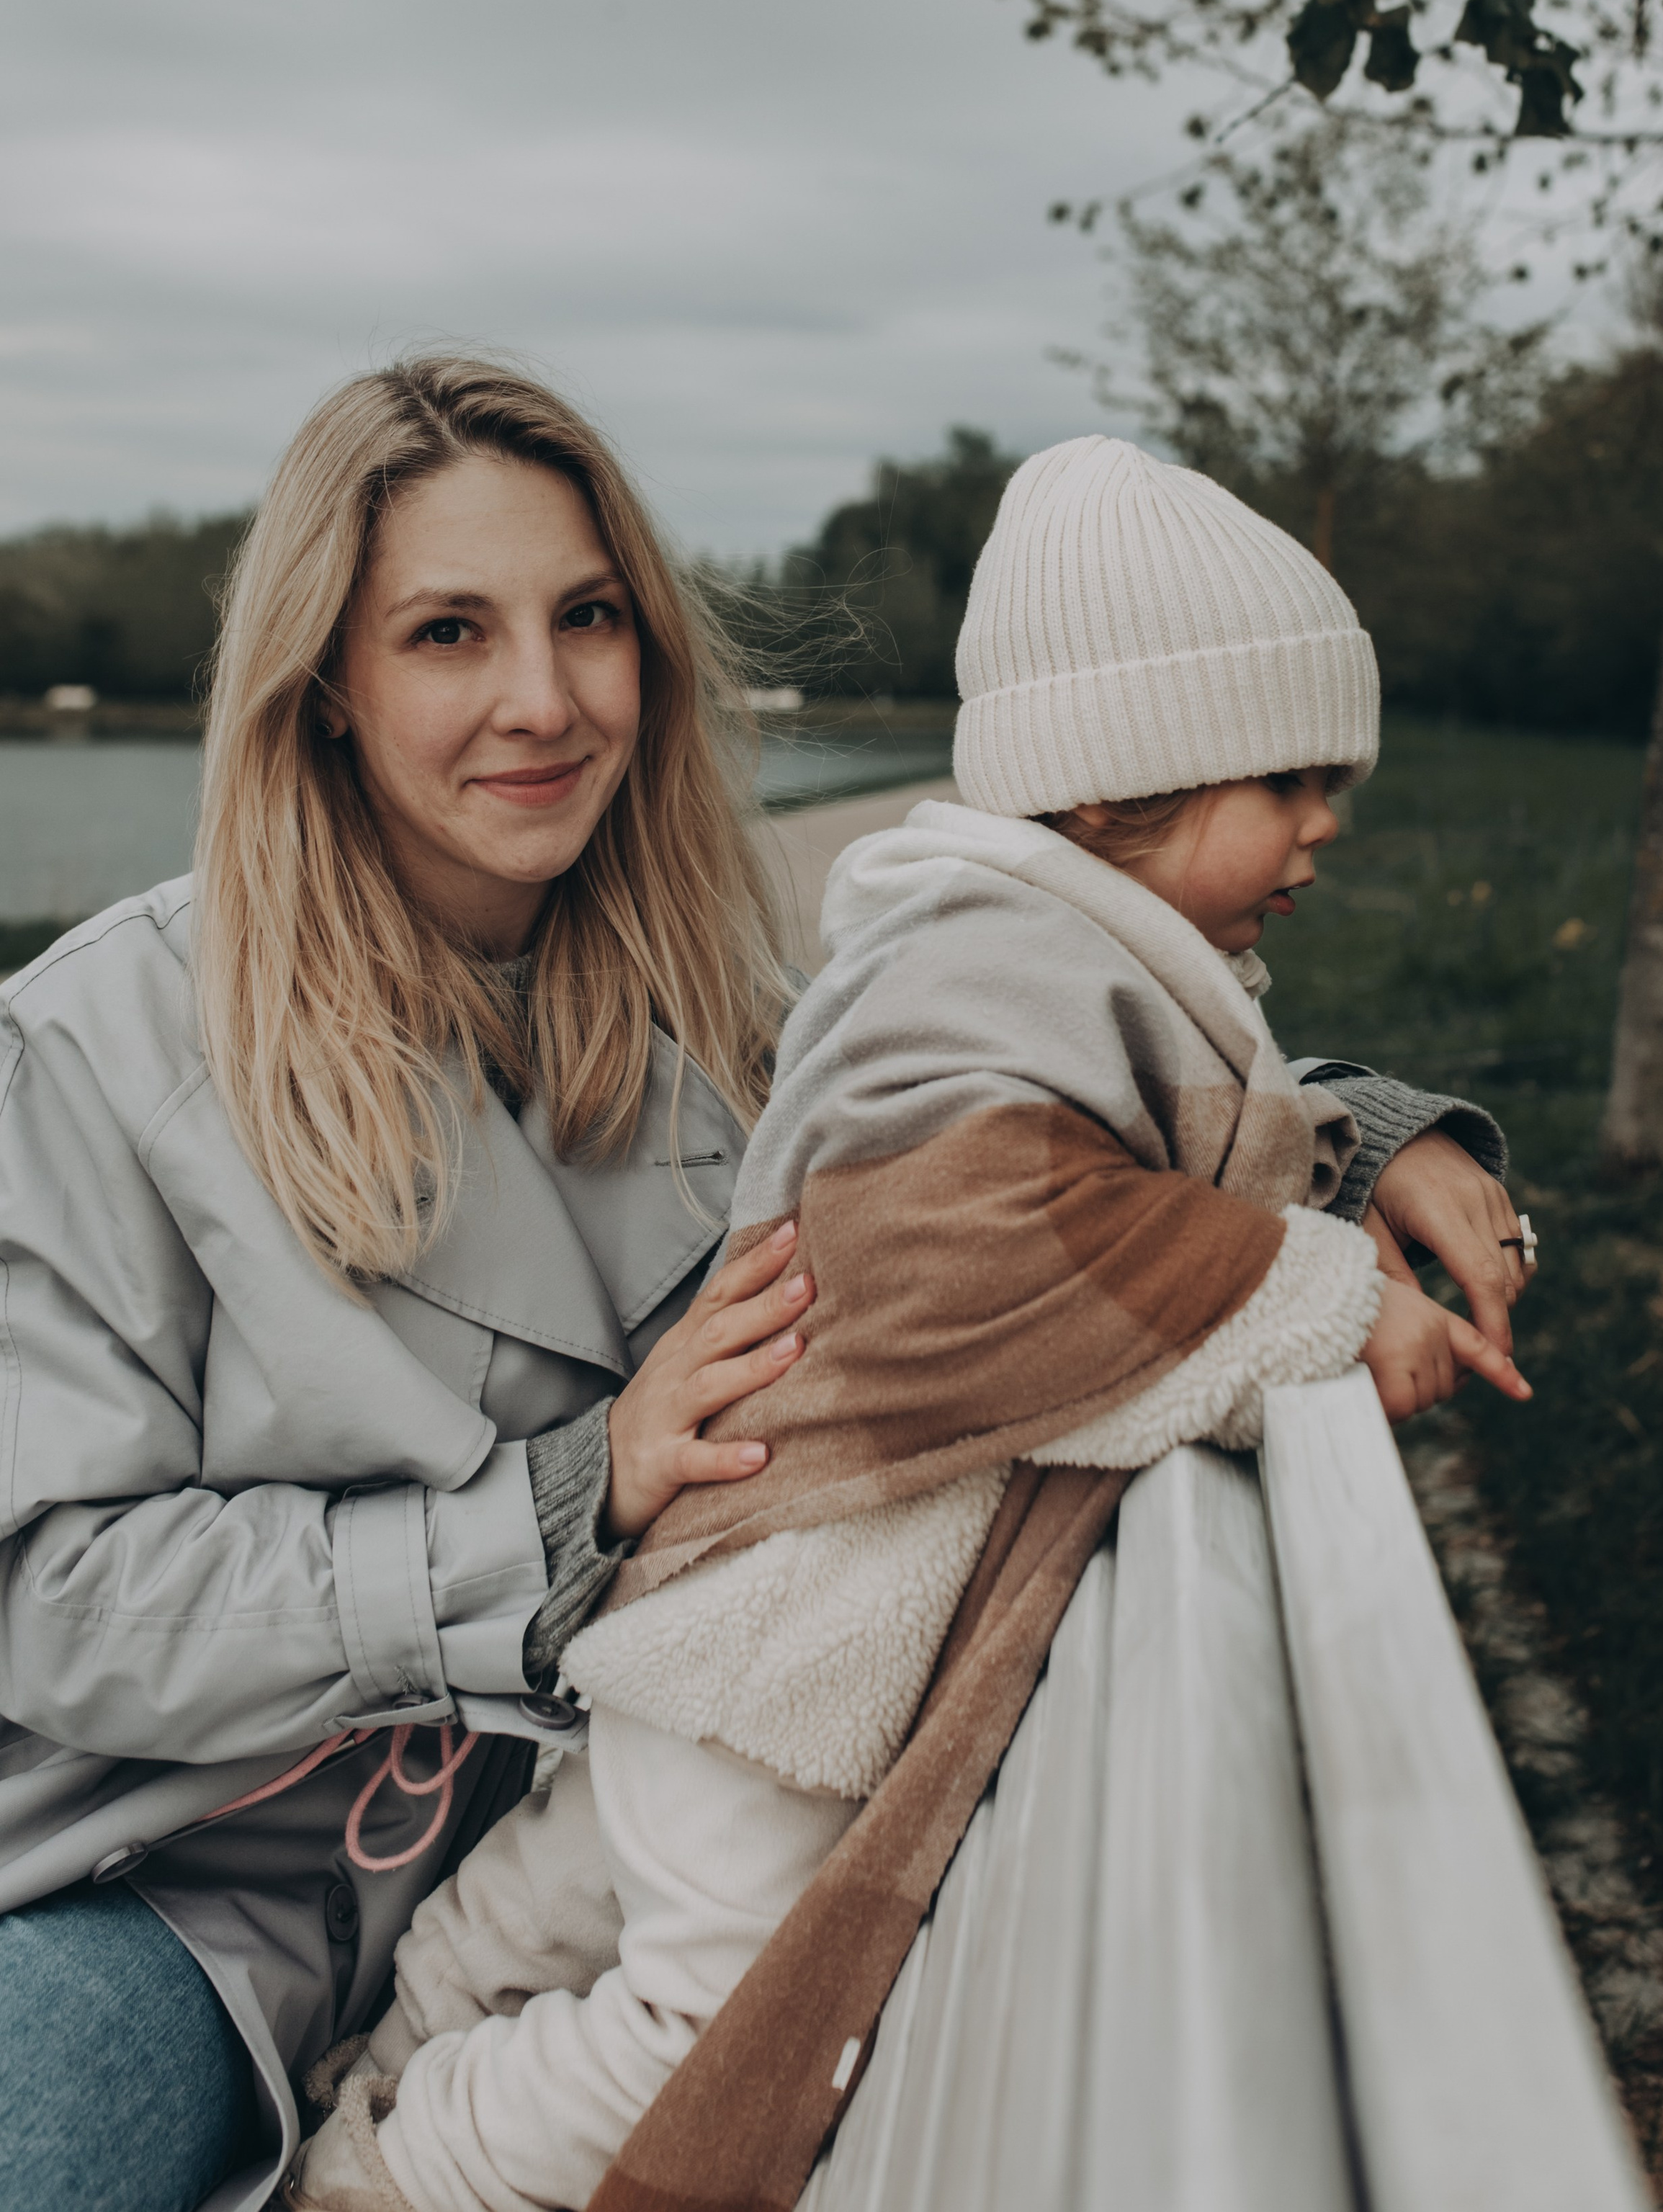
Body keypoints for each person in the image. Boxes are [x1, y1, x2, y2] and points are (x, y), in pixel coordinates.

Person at [284, 435, 1538, 2212]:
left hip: (749, 1596)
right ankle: (396, 2181)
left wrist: (1360, 1147)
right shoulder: (996, 963)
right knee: (695, 2022)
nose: (1326, 821)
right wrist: (1324, 1301)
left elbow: (1117, 1143)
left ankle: (390, 2069)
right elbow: (989, 1228)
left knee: (564, 1895)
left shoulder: (1008, 949)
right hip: (787, 1617)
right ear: (1122, 787)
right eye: (1287, 777)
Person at [0, 359, 820, 2212]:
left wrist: (1345, 1129)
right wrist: (551, 1511)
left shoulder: (726, 1024)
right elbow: (51, 1603)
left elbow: (1010, 1089)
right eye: (448, 631)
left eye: (587, 618)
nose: (542, 701)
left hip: (558, 1877)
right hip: (152, 1887)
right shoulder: (104, 1040)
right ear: (328, 693)